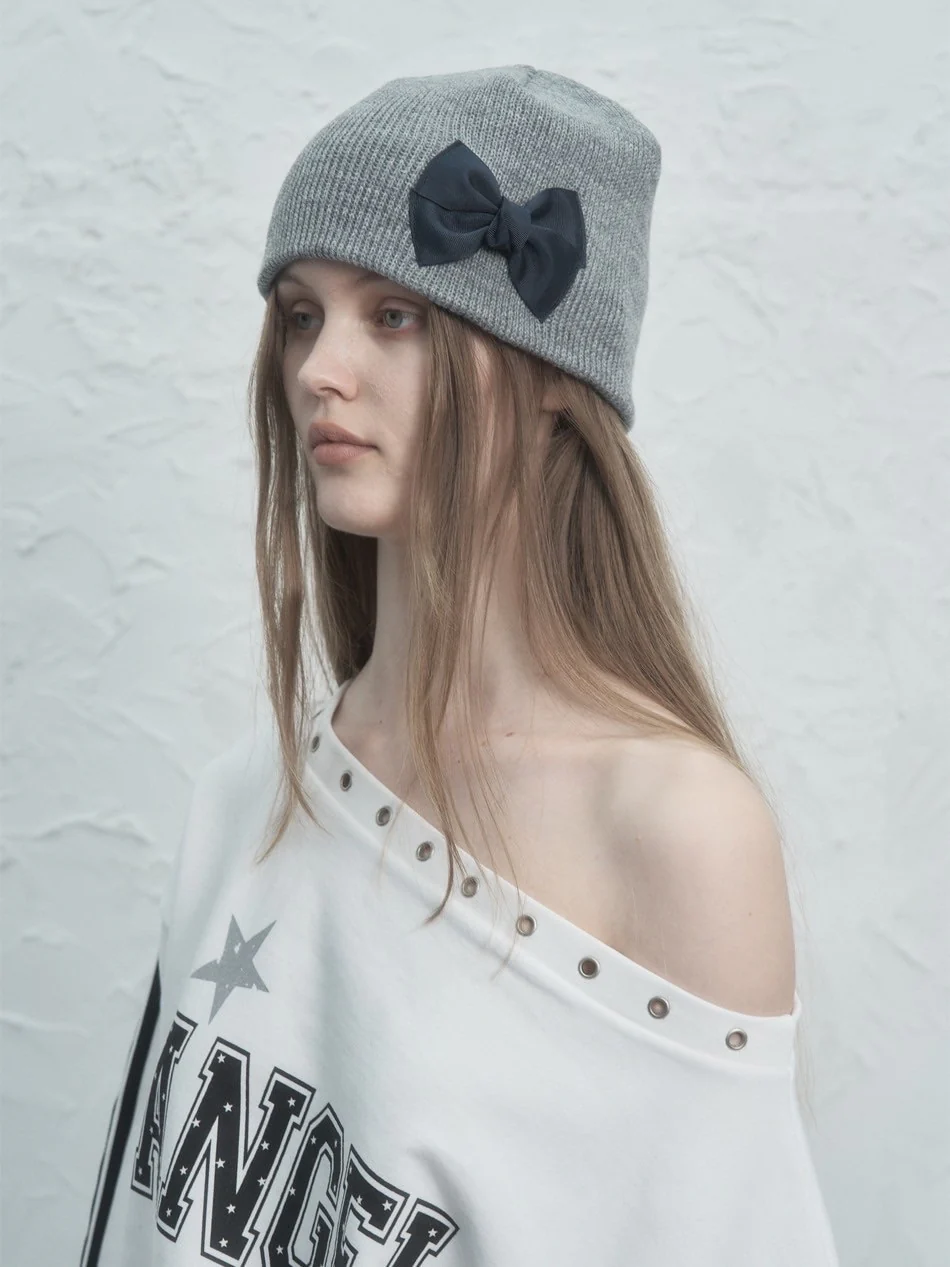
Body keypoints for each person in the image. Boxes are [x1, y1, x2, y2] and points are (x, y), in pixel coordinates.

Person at [80, 64, 840, 1266]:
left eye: (395, 315)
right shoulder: (244, 800)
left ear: (551, 384)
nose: (318, 369)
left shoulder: (674, 830)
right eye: (301, 314)